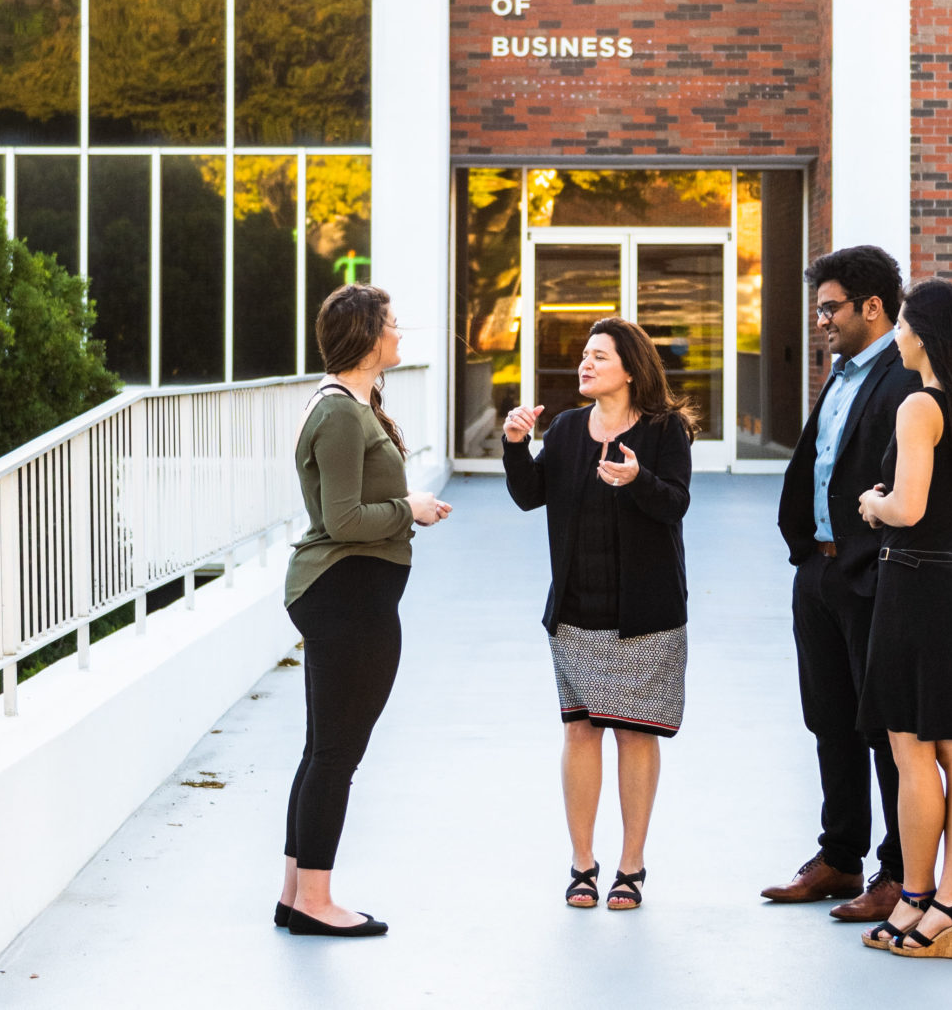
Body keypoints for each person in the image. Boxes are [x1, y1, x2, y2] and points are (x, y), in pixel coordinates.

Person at [274, 284, 453, 938]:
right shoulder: (342, 413)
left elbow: (349, 500)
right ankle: (317, 902)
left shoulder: (353, 404)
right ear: (366, 336)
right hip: (346, 593)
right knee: (336, 756)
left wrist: (403, 502)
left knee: (322, 748)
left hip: (348, 592)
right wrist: (412, 509)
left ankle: (296, 894)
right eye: (393, 326)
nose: (400, 336)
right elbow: (342, 519)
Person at [501, 318, 696, 913]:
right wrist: (515, 446)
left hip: (645, 616)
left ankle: (630, 865)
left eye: (599, 357)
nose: (585, 365)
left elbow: (676, 504)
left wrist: (637, 480)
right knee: (580, 730)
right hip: (576, 610)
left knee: (637, 734)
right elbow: (531, 494)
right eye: (584, 356)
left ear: (631, 369)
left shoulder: (665, 431)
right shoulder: (563, 430)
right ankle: (582, 864)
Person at [852, 278, 952, 961]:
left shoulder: (919, 406)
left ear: (922, 333)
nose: (898, 334)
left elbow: (909, 509)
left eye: (905, 323)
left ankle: (917, 897)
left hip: (914, 584)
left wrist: (873, 501)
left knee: (911, 751)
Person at [763, 245, 924, 923]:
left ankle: (896, 871)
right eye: (819, 308)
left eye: (831, 308)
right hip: (820, 571)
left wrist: (873, 556)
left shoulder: (903, 380)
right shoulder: (841, 374)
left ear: (872, 308)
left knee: (883, 730)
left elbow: (910, 483)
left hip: (871, 574)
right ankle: (840, 857)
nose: (821, 320)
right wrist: (809, 554)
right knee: (828, 719)